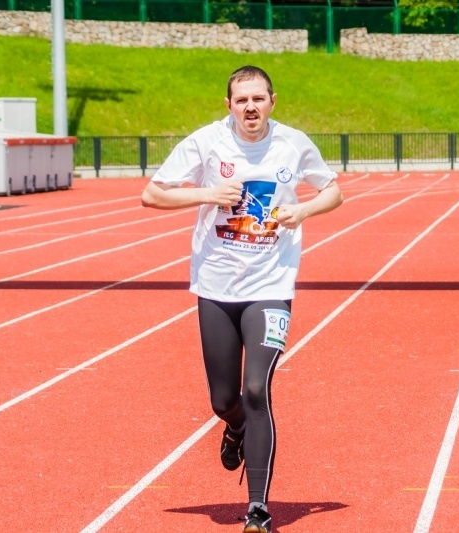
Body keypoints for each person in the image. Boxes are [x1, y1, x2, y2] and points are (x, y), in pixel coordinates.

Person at [141, 65, 343, 532]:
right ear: (228, 105)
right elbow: (150, 195)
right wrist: (207, 194)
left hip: (271, 287)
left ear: (273, 100)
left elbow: (333, 192)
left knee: (257, 390)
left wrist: (303, 209)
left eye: (258, 98)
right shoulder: (207, 142)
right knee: (222, 399)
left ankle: (258, 510)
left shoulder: (293, 143)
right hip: (215, 286)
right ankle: (232, 427)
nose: (250, 107)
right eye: (241, 100)